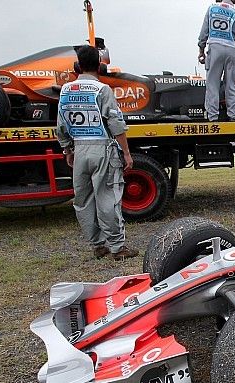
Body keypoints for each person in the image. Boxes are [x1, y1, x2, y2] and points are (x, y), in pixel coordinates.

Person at [56, 45, 137, 260]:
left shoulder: (65, 90)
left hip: (79, 149)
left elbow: (61, 125)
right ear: (99, 66)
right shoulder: (102, 90)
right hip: (103, 148)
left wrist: (67, 149)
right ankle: (117, 247)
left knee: (83, 200)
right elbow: (115, 123)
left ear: (77, 66)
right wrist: (127, 153)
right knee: (107, 197)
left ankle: (98, 245)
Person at [198, 0, 235, 121]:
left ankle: (213, 117)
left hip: (215, 48)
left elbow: (204, 31)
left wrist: (201, 50)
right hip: (233, 51)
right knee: (232, 86)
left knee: (212, 85)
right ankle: (233, 116)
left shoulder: (212, 8)